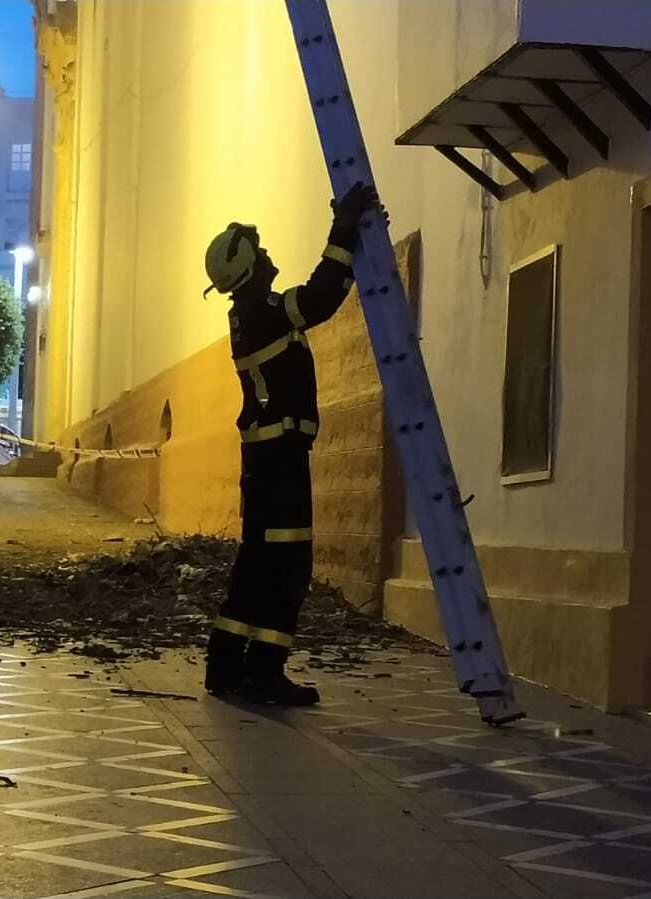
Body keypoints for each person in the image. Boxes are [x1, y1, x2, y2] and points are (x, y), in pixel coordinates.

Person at [200, 182, 383, 705]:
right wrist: (343, 230)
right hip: (279, 461)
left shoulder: (250, 314)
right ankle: (263, 670)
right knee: (287, 566)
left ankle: (226, 666)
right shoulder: (264, 311)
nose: (267, 256)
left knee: (259, 563)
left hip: (267, 458)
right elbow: (321, 297)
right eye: (259, 253)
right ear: (248, 269)